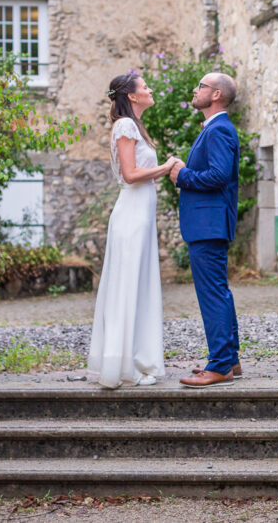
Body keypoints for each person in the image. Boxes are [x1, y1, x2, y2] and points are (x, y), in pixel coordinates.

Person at [87, 72, 180, 389]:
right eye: (145, 86)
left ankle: (136, 360)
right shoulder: (125, 126)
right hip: (131, 216)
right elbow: (130, 174)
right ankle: (124, 364)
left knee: (138, 287)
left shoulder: (134, 126)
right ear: (132, 96)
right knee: (128, 287)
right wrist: (165, 167)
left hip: (140, 215)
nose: (150, 89)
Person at [170, 72, 242, 388]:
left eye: (200, 86)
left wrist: (182, 175)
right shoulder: (214, 128)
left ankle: (220, 365)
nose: (194, 90)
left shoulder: (220, 130)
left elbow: (218, 176)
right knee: (218, 292)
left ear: (215, 95)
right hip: (208, 224)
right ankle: (231, 359)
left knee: (213, 294)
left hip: (208, 225)